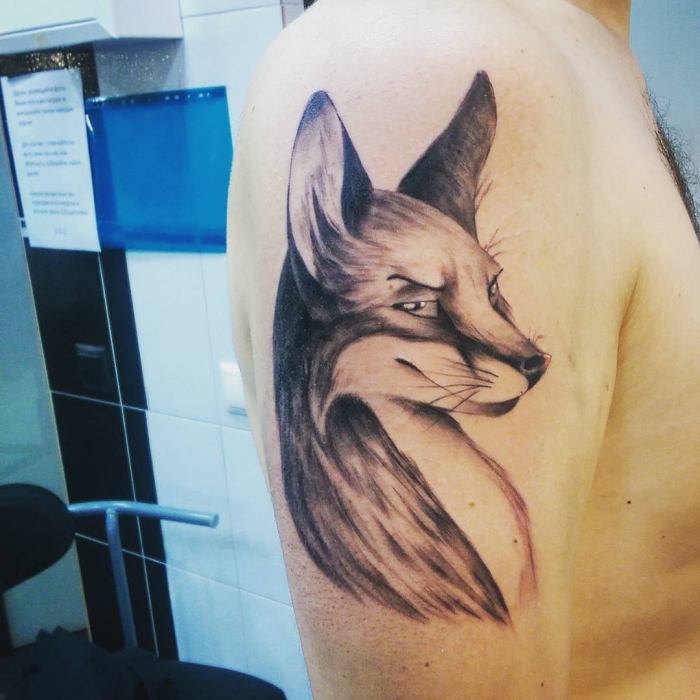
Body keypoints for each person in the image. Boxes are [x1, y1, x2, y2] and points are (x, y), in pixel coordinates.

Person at [227, 1, 700, 697]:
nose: (524, 354)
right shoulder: (416, 50)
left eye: (494, 294)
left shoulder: (581, 50)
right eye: (421, 304)